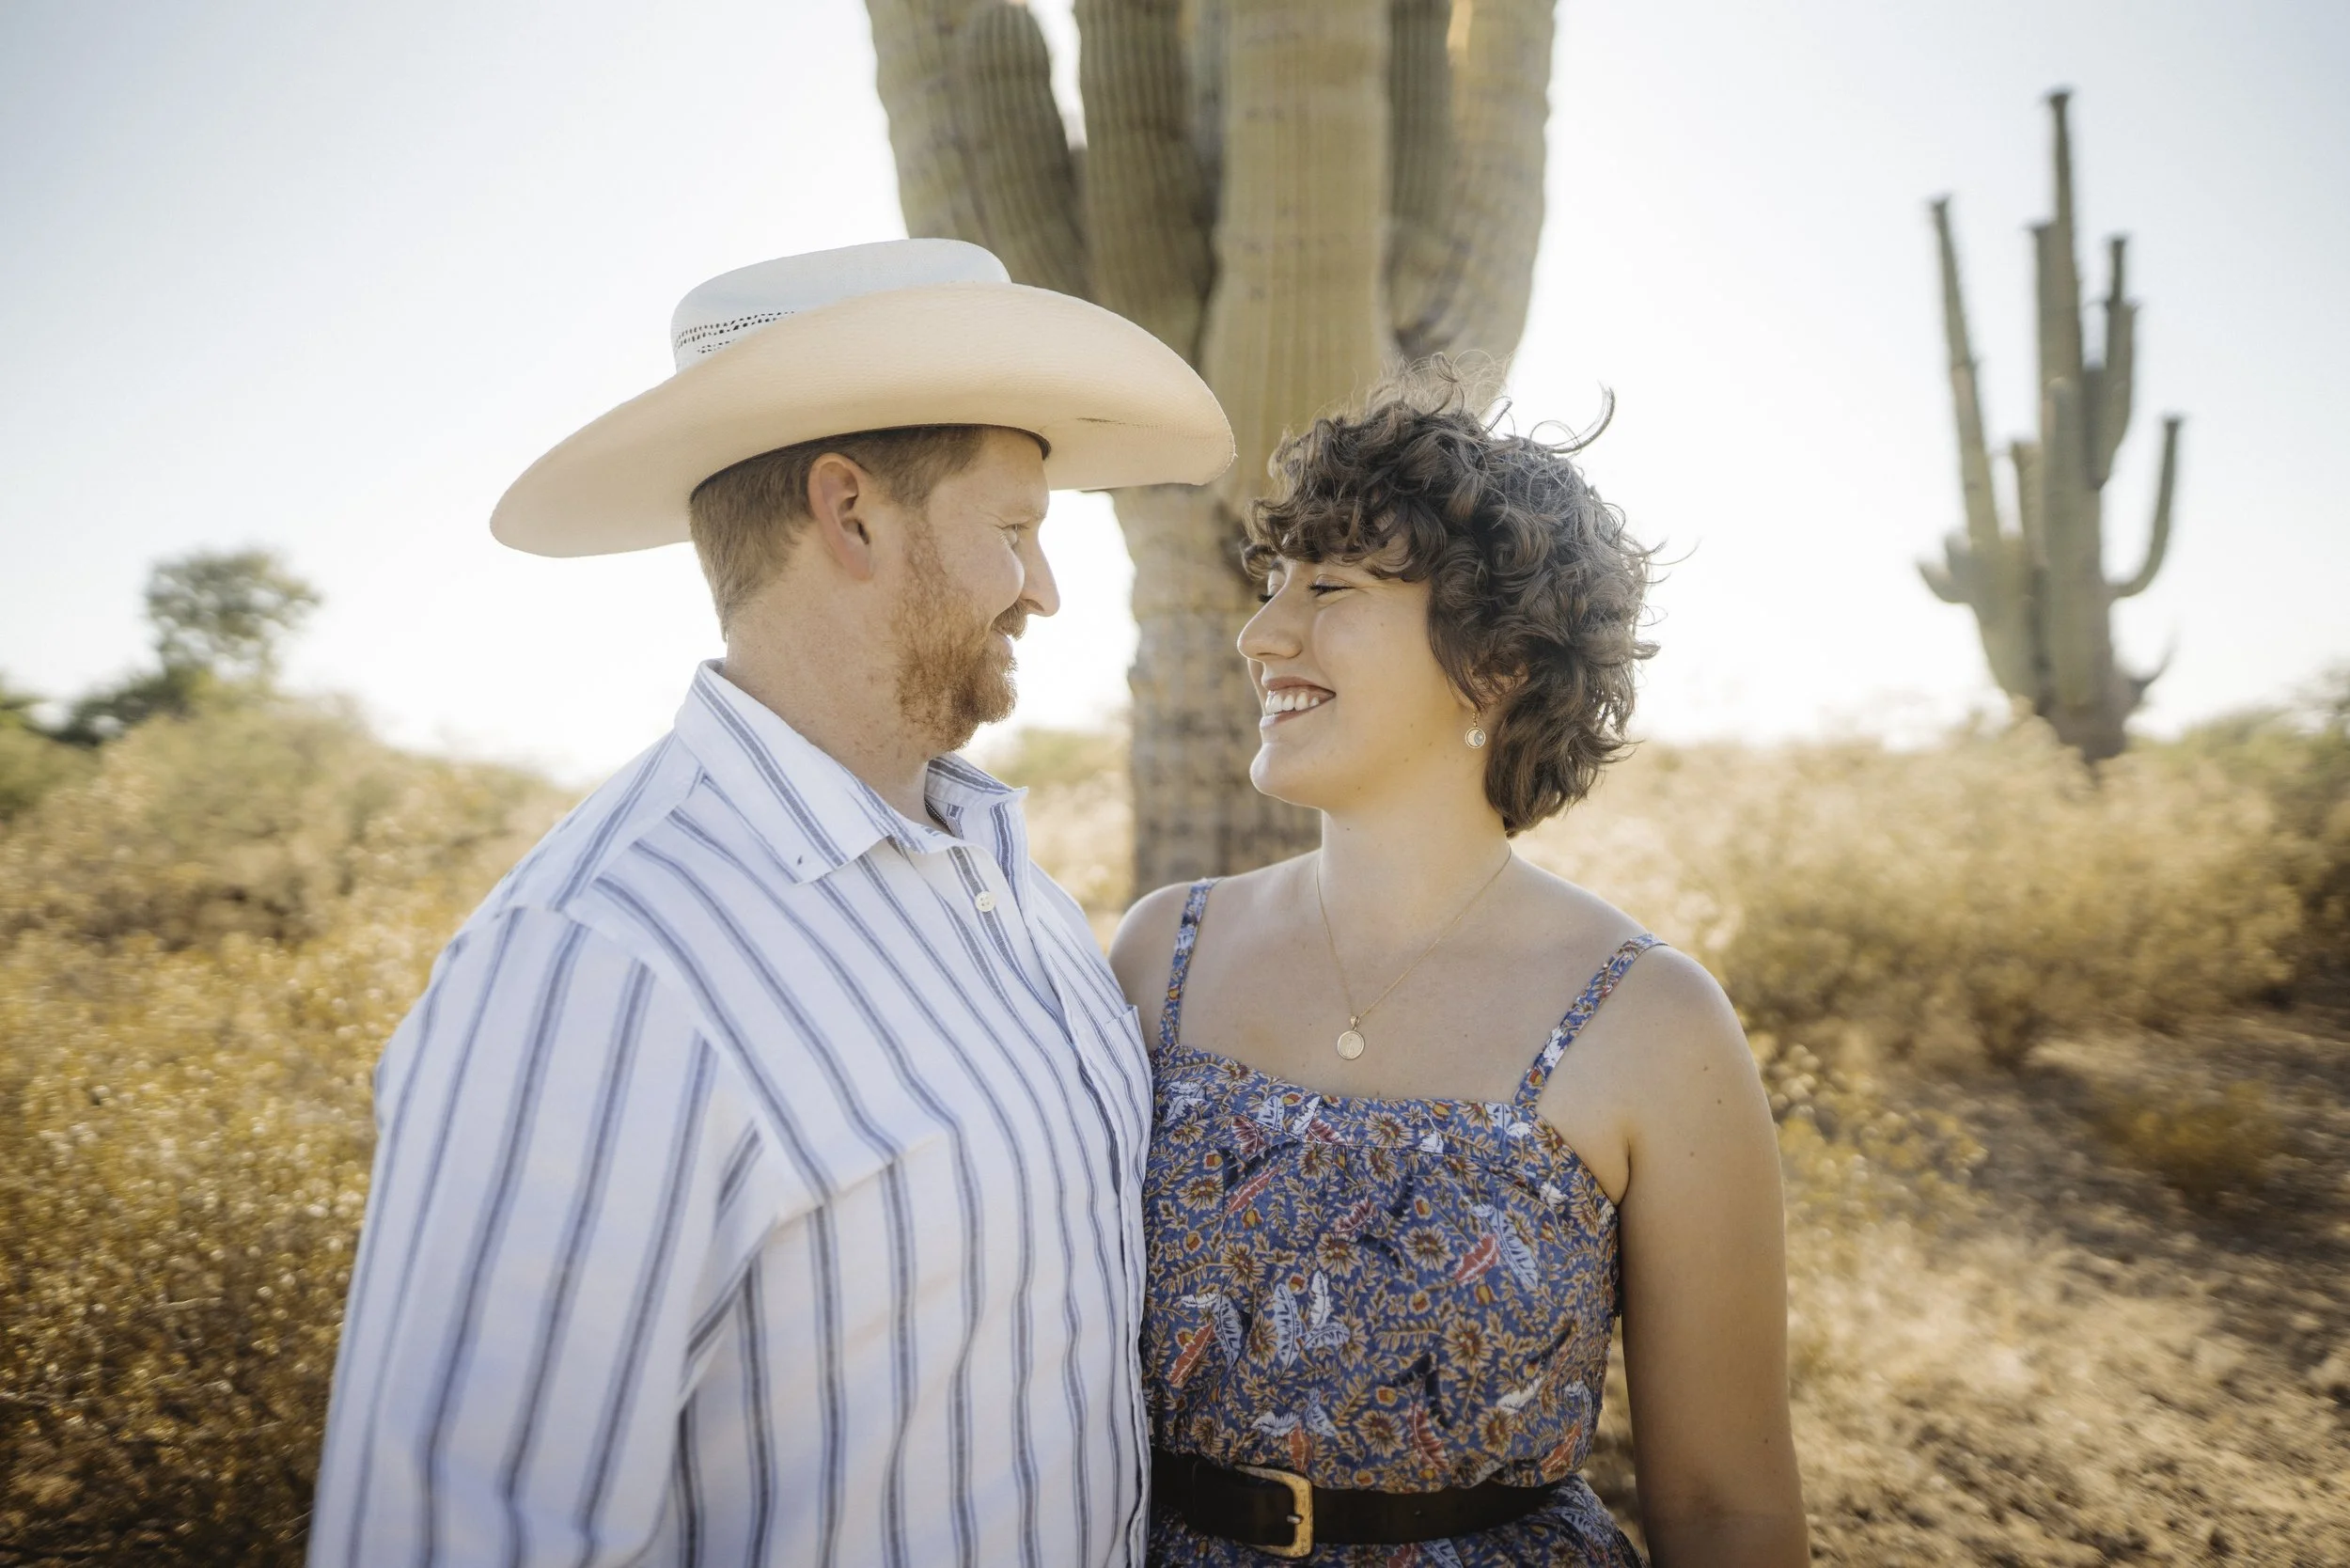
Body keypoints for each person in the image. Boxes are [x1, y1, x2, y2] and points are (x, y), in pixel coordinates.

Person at [307, 239, 1232, 1567]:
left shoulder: (1015, 890)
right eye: (1017, 530)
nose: (1045, 589)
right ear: (851, 513)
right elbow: (459, 1535)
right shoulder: (596, 962)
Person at [1110, 367, 1809, 1565]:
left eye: (1328, 588)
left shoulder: (1650, 1022)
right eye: (1272, 585)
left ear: (1494, 665)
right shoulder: (1157, 952)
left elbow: (1721, 1500)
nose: (1261, 631)